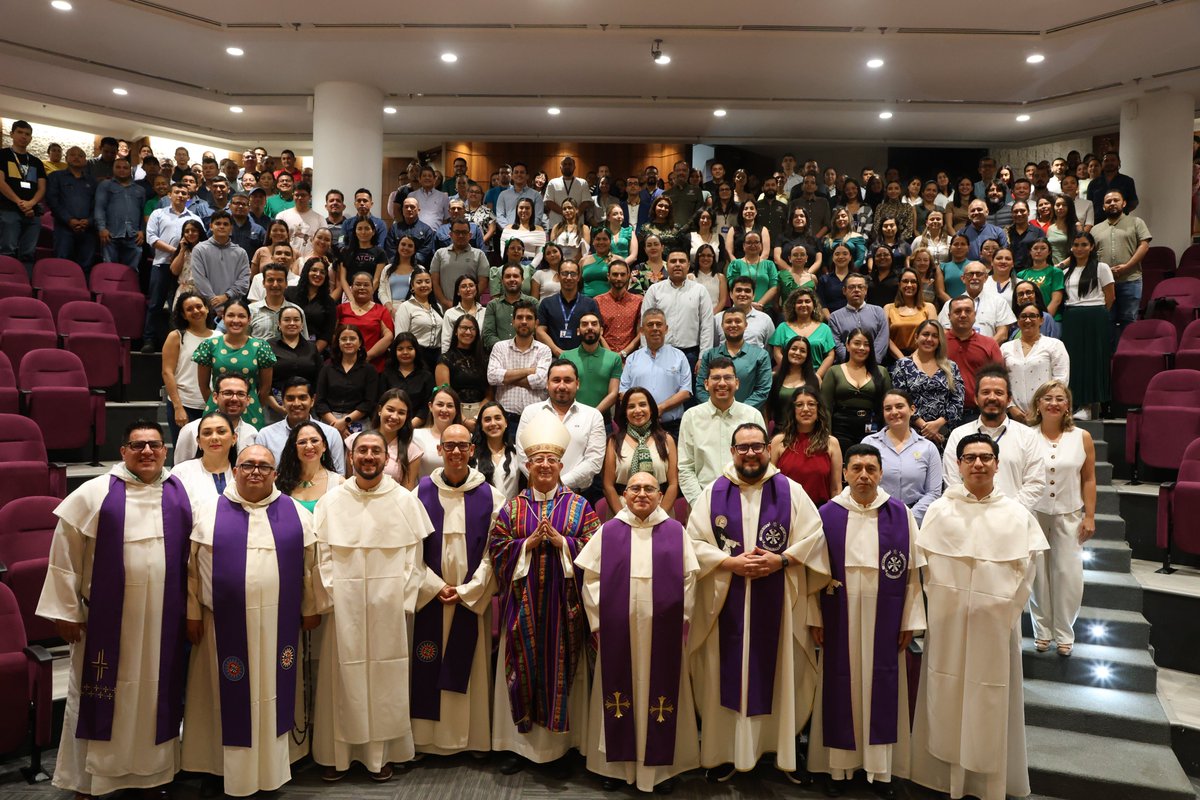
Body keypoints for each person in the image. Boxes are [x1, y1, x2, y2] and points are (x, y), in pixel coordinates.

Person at [36, 420, 193, 800]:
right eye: (137, 445)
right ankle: (88, 781)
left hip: (162, 620)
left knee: (156, 694)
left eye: (154, 445)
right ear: (122, 451)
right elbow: (65, 557)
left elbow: (193, 559)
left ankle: (152, 775)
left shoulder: (177, 493)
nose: (147, 452)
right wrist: (65, 611)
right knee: (98, 697)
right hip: (106, 622)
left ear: (165, 450)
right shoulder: (95, 493)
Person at [685, 422, 828, 783]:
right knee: (726, 671)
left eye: (757, 446)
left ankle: (778, 752)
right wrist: (729, 563)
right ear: (732, 452)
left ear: (768, 449)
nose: (750, 453)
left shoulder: (790, 491)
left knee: (779, 671)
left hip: (778, 601)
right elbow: (694, 543)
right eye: (743, 447)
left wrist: (780, 561)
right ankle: (727, 752)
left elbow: (814, 537)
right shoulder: (713, 492)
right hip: (726, 603)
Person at [909, 434, 1048, 800]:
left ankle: (987, 784)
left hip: (995, 626)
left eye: (986, 457)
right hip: (948, 623)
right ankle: (942, 778)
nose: (978, 464)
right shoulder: (940, 510)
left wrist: (1004, 613)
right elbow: (926, 569)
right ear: (958, 465)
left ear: (998, 464)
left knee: (990, 698)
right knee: (946, 691)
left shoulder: (1017, 515)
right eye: (970, 458)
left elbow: (1027, 574)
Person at [182, 445, 317, 797]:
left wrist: (310, 608)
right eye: (248, 465)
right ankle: (220, 766)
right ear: (236, 469)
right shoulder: (209, 511)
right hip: (221, 628)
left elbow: (310, 569)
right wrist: (193, 613)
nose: (255, 472)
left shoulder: (296, 513)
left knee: (273, 693)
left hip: (279, 626)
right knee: (220, 695)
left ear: (274, 473)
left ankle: (273, 765)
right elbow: (192, 572)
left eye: (263, 466)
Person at [310, 430, 433, 780]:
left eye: (375, 451)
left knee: (385, 680)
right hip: (343, 607)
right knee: (341, 678)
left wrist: (397, 598)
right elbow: (324, 555)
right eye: (362, 450)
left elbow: (414, 559)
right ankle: (339, 757)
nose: (368, 456)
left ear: (386, 458)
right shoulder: (331, 502)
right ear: (351, 457)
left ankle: (381, 756)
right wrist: (339, 595)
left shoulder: (405, 501)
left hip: (388, 608)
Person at [806, 443, 925, 797]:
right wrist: (815, 617)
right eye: (856, 468)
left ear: (880, 473)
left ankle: (880, 770)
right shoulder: (827, 513)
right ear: (844, 473)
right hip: (838, 611)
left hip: (883, 615)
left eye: (870, 469)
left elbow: (912, 575)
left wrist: (908, 621)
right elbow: (812, 576)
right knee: (839, 683)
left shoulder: (898, 514)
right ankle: (838, 768)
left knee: (881, 687)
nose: (863, 476)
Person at [488, 413, 601, 777]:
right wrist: (526, 546)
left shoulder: (580, 506)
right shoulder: (512, 507)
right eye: (538, 461)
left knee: (563, 671)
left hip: (563, 609)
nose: (545, 467)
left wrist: (563, 543)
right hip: (522, 609)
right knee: (521, 671)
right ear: (527, 466)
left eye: (552, 461)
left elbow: (595, 550)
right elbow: (496, 548)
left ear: (560, 464)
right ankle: (517, 747)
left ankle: (565, 747)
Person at [576, 472, 700, 793]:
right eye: (635, 488)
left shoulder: (675, 532)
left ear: (660, 495)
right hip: (619, 632)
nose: (642, 494)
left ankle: (660, 770)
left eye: (649, 488)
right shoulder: (609, 531)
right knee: (616, 693)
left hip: (664, 633)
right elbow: (590, 580)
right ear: (625, 494)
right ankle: (615, 768)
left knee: (662, 694)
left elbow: (689, 580)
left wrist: (679, 621)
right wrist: (601, 623)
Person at [409, 424, 507, 756]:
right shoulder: (419, 493)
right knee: (428, 661)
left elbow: (497, 551)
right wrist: (434, 586)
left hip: (470, 599)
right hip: (431, 597)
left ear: (471, 449)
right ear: (439, 450)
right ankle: (426, 740)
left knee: (472, 666)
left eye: (462, 446)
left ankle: (474, 740)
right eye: (449, 446)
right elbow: (409, 550)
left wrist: (470, 589)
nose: (455, 452)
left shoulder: (491, 494)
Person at [1028, 381, 1097, 657]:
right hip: (1035, 513)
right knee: (1038, 576)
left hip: (1069, 513)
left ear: (1067, 404)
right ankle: (1042, 631)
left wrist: (1090, 515)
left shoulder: (1082, 437)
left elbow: (1089, 478)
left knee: (1068, 574)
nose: (1053, 403)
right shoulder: (1026, 436)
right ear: (1038, 404)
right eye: (1047, 398)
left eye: (1060, 398)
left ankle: (1065, 632)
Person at [942, 363, 1046, 511]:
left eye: (998, 392)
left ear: (1009, 399)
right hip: (969, 518)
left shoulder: (1027, 436)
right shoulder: (959, 435)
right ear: (976, 399)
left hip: (1014, 519)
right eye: (985, 392)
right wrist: (972, 509)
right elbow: (952, 481)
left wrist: (1006, 512)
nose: (992, 397)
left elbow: (1035, 483)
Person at [677, 358, 765, 505]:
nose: (722, 383)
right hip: (702, 501)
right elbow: (686, 467)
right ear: (706, 384)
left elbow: (762, 461)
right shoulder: (691, 417)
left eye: (728, 378)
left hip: (747, 501)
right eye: (716, 378)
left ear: (737, 383)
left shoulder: (752, 415)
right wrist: (700, 504)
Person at [514, 360, 607, 496]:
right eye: (556, 380)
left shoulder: (593, 415)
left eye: (568, 380)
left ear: (577, 384)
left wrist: (559, 484)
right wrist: (544, 482)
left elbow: (594, 461)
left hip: (578, 494)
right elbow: (522, 455)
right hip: (537, 492)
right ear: (547, 383)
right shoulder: (531, 412)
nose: (562, 386)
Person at [862, 389, 943, 525]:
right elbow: (863, 485)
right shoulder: (869, 444)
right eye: (888, 408)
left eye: (899, 406)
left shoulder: (928, 448)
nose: (894, 412)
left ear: (912, 409)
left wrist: (908, 517)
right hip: (876, 518)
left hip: (918, 522)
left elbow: (934, 493)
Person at [194, 299, 275, 429]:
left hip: (250, 409)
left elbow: (266, 387)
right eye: (231, 315)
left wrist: (253, 404)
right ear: (223, 317)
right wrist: (218, 402)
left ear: (249, 319)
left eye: (241, 316)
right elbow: (203, 386)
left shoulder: (260, 347)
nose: (236, 320)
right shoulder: (209, 345)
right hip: (217, 408)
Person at [1060, 232, 1115, 419]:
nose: (1079, 248)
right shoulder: (1066, 271)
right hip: (1072, 316)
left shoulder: (1101, 268)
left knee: (1093, 360)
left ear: (1092, 247)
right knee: (1073, 360)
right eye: (1075, 245)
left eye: (1084, 245)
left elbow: (1110, 297)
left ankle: (1089, 405)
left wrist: (1097, 315)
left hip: (1094, 315)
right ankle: (1074, 404)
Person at [602, 387, 680, 515]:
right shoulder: (614, 442)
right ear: (625, 412)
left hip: (660, 509)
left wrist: (661, 517)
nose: (637, 410)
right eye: (631, 406)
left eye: (643, 405)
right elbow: (608, 486)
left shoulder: (667, 440)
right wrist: (623, 518)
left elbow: (673, 484)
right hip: (623, 511)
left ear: (651, 409)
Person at [618, 309, 693, 438]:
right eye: (650, 325)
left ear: (666, 328)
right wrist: (644, 411)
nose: (655, 328)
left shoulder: (679, 356)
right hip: (638, 427)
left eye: (659, 324)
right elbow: (623, 392)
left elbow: (686, 392)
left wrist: (660, 408)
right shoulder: (632, 359)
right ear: (641, 330)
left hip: (672, 427)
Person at [891, 320, 965, 450]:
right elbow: (900, 401)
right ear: (916, 337)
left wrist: (938, 425)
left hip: (945, 434)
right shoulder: (903, 365)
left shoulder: (951, 367)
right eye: (925, 334)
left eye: (935, 336)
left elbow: (958, 401)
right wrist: (925, 427)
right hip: (912, 434)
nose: (929, 339)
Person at [1092, 189, 1151, 346]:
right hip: (1104, 284)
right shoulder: (1095, 229)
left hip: (1130, 279)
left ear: (1123, 203)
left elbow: (1144, 246)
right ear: (1103, 206)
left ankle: (1128, 353)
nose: (1112, 203)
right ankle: (1109, 358)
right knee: (1107, 320)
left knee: (1129, 319)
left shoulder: (1136, 222)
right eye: (1108, 201)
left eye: (1116, 200)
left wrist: (1126, 266)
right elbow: (1090, 255)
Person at [642, 247, 715, 372]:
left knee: (688, 391)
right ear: (667, 265)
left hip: (691, 354)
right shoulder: (654, 290)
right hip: (659, 352)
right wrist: (645, 352)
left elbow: (707, 325)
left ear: (688, 265)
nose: (677, 265)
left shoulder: (700, 290)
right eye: (673, 261)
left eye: (681, 261)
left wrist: (703, 356)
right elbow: (645, 324)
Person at [256, 377, 346, 475]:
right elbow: (261, 473)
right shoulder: (266, 435)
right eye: (290, 398)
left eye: (302, 398)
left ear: (312, 400)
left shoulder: (330, 434)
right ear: (282, 401)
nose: (296, 403)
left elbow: (338, 474)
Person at [822, 328, 892, 454]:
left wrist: (888, 433)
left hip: (872, 427)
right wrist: (827, 435)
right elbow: (825, 407)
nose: (861, 348)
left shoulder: (881, 372)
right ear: (848, 346)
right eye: (857, 343)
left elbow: (888, 405)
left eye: (866, 344)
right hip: (841, 427)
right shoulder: (834, 371)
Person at [770, 385, 841, 506]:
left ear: (819, 409)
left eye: (811, 404)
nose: (806, 409)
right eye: (799, 405)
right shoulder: (778, 441)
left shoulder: (832, 443)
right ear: (793, 410)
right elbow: (769, 483)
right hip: (787, 510)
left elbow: (835, 488)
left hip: (820, 512)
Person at [1001, 301, 1070, 423]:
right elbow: (1001, 380)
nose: (1027, 320)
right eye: (1023, 316)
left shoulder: (1054, 345)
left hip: (1046, 413)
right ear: (1018, 321)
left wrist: (1042, 407)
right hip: (1014, 416)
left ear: (1041, 320)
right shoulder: (1005, 348)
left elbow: (1060, 380)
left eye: (1032, 316)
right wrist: (1010, 407)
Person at [487, 299, 551, 428]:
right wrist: (528, 371)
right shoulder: (500, 347)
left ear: (536, 323)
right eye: (520, 317)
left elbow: (541, 381)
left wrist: (506, 378)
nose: (524, 321)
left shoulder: (544, 350)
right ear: (513, 321)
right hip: (505, 418)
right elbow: (492, 377)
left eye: (529, 318)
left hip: (536, 418)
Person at [162, 292, 215, 442]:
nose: (196, 311)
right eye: (190, 309)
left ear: (207, 308)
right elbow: (167, 372)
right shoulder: (177, 336)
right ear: (184, 315)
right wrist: (178, 407)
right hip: (185, 403)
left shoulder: (219, 336)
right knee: (184, 454)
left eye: (199, 306)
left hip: (211, 404)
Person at [695, 308, 773, 410]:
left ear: (746, 325)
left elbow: (763, 390)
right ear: (722, 326)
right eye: (728, 322)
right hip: (715, 416)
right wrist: (717, 409)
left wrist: (739, 410)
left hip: (747, 417)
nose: (733, 325)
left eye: (738, 321)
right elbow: (701, 388)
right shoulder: (709, 355)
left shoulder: (761, 355)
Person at [346, 388, 422, 489]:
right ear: (380, 410)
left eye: (401, 413)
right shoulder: (355, 440)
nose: (394, 416)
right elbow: (348, 481)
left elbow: (407, 492)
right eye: (390, 410)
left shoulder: (412, 451)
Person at [943, 297, 1004, 421]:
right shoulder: (938, 343)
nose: (963, 315)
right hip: (943, 414)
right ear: (949, 316)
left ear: (975, 315)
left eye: (968, 311)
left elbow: (1000, 380)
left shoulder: (989, 344)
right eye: (958, 311)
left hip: (978, 413)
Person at [316, 324, 379, 440]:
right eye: (344, 339)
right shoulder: (327, 368)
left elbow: (369, 403)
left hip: (358, 421)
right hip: (330, 421)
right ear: (338, 343)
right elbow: (320, 402)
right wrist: (336, 424)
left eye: (352, 339)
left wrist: (345, 421)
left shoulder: (369, 370)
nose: (348, 342)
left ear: (360, 343)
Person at [0, 120, 48, 271]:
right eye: (20, 132)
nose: (23, 136)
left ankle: (24, 283)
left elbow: (42, 188)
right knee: (8, 248)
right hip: (8, 209)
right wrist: (19, 202)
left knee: (28, 253)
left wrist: (31, 203)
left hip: (32, 212)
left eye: (27, 134)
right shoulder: (3, 155)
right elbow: (1, 182)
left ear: (31, 138)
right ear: (12, 134)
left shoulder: (36, 162)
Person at [275, 420, 344, 513]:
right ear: (294, 448)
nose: (309, 446)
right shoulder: (280, 481)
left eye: (314, 441)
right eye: (302, 442)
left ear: (324, 446)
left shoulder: (339, 483)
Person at [561, 311, 622, 415]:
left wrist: (593, 415)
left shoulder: (614, 358)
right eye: (584, 324)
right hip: (571, 416)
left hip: (603, 420)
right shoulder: (566, 357)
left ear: (601, 330)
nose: (589, 327)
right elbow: (563, 389)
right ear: (578, 331)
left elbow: (613, 393)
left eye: (594, 324)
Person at [937, 262, 1015, 343]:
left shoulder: (999, 303)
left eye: (979, 274)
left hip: (987, 352)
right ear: (963, 278)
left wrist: (985, 348)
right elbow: (944, 331)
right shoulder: (950, 304)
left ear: (986, 278)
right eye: (970, 274)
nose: (974, 278)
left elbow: (1002, 334)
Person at [191, 211, 250, 317]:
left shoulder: (241, 252)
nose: (222, 226)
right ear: (211, 226)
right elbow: (199, 279)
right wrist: (214, 303)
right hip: (206, 309)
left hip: (233, 309)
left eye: (226, 224)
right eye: (218, 223)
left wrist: (226, 296)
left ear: (231, 228)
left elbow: (244, 281)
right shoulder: (199, 249)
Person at [536, 260, 599, 357]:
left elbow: (597, 330)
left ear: (578, 277)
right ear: (558, 276)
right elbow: (540, 331)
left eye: (573, 274)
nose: (569, 277)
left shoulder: (590, 303)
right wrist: (557, 351)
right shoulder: (547, 303)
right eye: (565, 273)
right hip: (552, 357)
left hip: (583, 357)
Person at [172, 411, 238, 502]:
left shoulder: (245, 473)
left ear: (234, 438)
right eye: (207, 433)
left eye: (221, 431)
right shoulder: (181, 472)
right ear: (198, 441)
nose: (214, 437)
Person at [436, 315, 491, 424]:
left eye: (472, 329)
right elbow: (444, 394)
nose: (468, 332)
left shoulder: (485, 359)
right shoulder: (445, 359)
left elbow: (490, 395)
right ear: (456, 331)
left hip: (480, 413)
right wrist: (464, 420)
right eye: (463, 328)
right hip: (453, 412)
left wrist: (476, 416)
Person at [337, 271, 395, 372]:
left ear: (372, 289)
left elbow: (388, 336)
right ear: (351, 288)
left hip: (373, 367)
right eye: (358, 284)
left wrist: (367, 357)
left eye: (366, 285)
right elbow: (333, 335)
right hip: (343, 364)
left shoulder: (381, 310)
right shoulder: (341, 309)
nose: (362, 288)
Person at [829, 273, 889, 363]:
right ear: (844, 291)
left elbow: (883, 338)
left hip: (875, 365)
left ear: (866, 290)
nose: (856, 290)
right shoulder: (835, 317)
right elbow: (837, 344)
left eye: (860, 287)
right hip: (846, 366)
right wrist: (850, 362)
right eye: (851, 287)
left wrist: (873, 361)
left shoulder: (878, 311)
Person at [471, 401, 524, 500]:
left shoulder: (517, 452)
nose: (493, 423)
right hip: (483, 512)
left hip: (511, 512)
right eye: (487, 420)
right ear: (481, 426)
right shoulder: (472, 454)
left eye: (497, 418)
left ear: (506, 423)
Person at [380, 333, 434, 428]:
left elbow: (426, 406)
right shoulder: (386, 374)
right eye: (400, 349)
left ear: (416, 350)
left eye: (410, 348)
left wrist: (409, 426)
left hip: (417, 426)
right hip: (390, 423)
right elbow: (380, 402)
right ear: (394, 352)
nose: (405, 352)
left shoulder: (426, 376)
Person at [483, 263, 539, 353]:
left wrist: (521, 348)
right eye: (508, 276)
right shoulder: (492, 305)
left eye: (515, 276)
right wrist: (507, 350)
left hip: (528, 353)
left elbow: (537, 331)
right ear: (502, 280)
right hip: (499, 355)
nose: (512, 279)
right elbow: (488, 335)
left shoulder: (533, 303)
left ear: (522, 280)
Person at [885, 268, 938, 360]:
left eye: (913, 281)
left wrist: (913, 358)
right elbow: (885, 337)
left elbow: (933, 336)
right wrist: (902, 359)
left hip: (923, 358)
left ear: (918, 285)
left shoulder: (929, 307)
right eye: (905, 281)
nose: (909, 285)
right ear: (899, 284)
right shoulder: (888, 308)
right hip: (894, 359)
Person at [595, 259, 643, 357]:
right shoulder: (597, 301)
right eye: (615, 274)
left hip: (631, 357)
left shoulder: (638, 302)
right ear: (608, 276)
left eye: (622, 274)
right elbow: (597, 332)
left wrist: (624, 352)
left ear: (628, 276)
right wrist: (611, 356)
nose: (619, 278)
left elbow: (641, 333)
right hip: (603, 356)